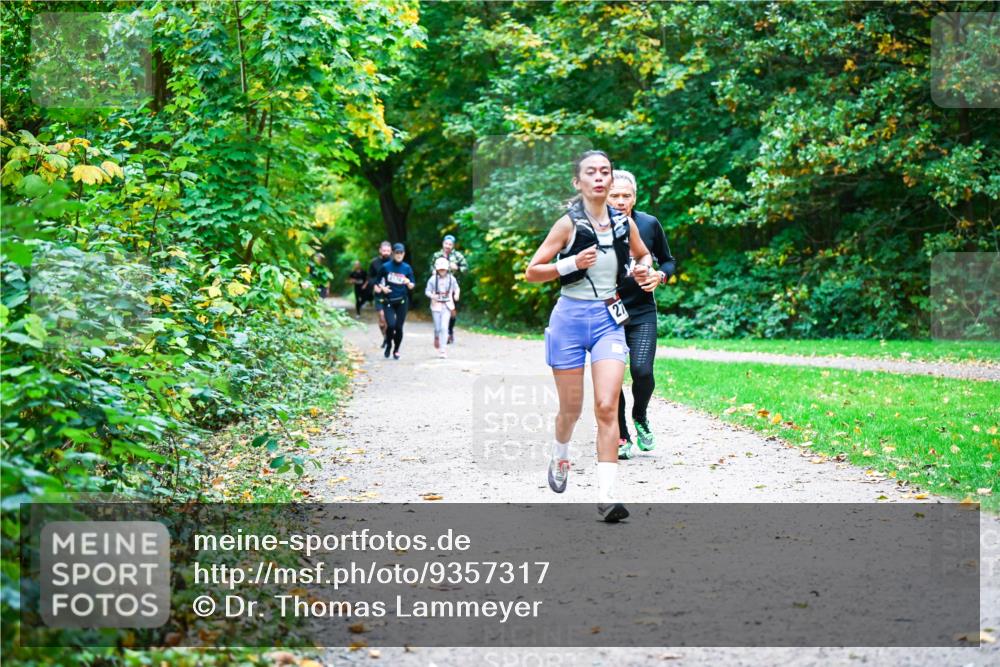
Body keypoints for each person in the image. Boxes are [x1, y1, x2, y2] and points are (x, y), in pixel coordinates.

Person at [524, 150, 655, 523]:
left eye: (605, 172)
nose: (599, 177)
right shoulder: (567, 225)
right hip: (568, 320)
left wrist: (644, 270)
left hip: (607, 321)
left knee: (606, 406)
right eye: (591, 172)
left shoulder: (623, 224)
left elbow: (644, 256)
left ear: (611, 180)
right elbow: (532, 271)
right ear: (577, 182)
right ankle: (560, 453)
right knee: (571, 409)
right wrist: (571, 263)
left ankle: (607, 496)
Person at [607, 170, 676, 460]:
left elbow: (668, 261)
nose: (620, 201)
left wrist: (659, 275)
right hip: (607, 313)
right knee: (611, 379)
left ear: (635, 197)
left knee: (642, 371)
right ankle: (621, 436)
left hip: (642, 310)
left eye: (627, 195)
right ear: (604, 196)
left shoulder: (648, 224)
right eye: (614, 195)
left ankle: (640, 415)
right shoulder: (594, 227)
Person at [373, 242, 416, 360]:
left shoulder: (407, 268)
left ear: (404, 254)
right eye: (397, 253)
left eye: (401, 253)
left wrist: (408, 282)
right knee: (391, 325)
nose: (399, 255)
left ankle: (396, 350)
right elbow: (377, 281)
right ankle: (388, 344)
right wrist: (383, 288)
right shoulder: (385, 267)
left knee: (399, 328)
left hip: (402, 302)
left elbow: (412, 285)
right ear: (393, 253)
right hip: (388, 301)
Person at [429, 235, 468, 344]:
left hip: (453, 288)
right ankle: (442, 332)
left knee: (452, 311)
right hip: (439, 287)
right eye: (446, 244)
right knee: (439, 310)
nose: (447, 246)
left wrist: (458, 268)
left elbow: (466, 269)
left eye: (450, 244)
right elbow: (431, 267)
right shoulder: (437, 255)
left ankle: (450, 331)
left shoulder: (458, 256)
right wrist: (433, 271)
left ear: (453, 245)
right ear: (443, 244)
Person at [424, 256, 460, 359]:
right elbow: (427, 291)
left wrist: (456, 294)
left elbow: (456, 288)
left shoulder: (451, 279)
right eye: (440, 269)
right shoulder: (432, 279)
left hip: (447, 305)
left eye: (443, 269)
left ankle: (443, 350)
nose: (442, 271)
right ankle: (436, 335)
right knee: (438, 327)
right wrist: (432, 296)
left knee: (444, 327)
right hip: (436, 305)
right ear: (437, 269)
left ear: (447, 269)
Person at [366, 241, 392, 343]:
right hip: (379, 293)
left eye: (388, 251)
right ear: (380, 250)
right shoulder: (374, 262)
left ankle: (388, 338)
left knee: (389, 319)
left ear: (391, 251)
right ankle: (385, 336)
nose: (386, 253)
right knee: (382, 317)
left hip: (391, 293)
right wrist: (374, 286)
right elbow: (370, 277)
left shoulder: (394, 262)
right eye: (384, 250)